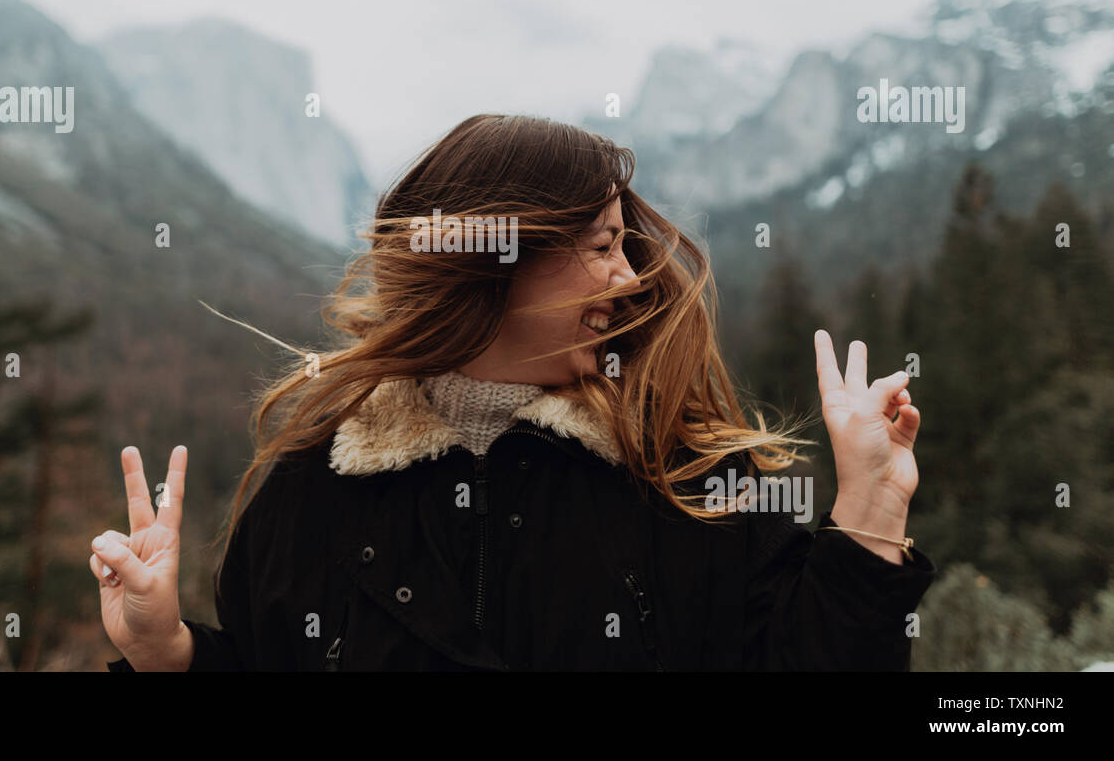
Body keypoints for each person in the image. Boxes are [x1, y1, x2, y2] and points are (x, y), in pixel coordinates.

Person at [91, 113, 936, 671]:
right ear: (497, 262)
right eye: (604, 245)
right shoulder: (311, 491)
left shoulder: (691, 479)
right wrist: (166, 653)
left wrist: (868, 512)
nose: (633, 274)